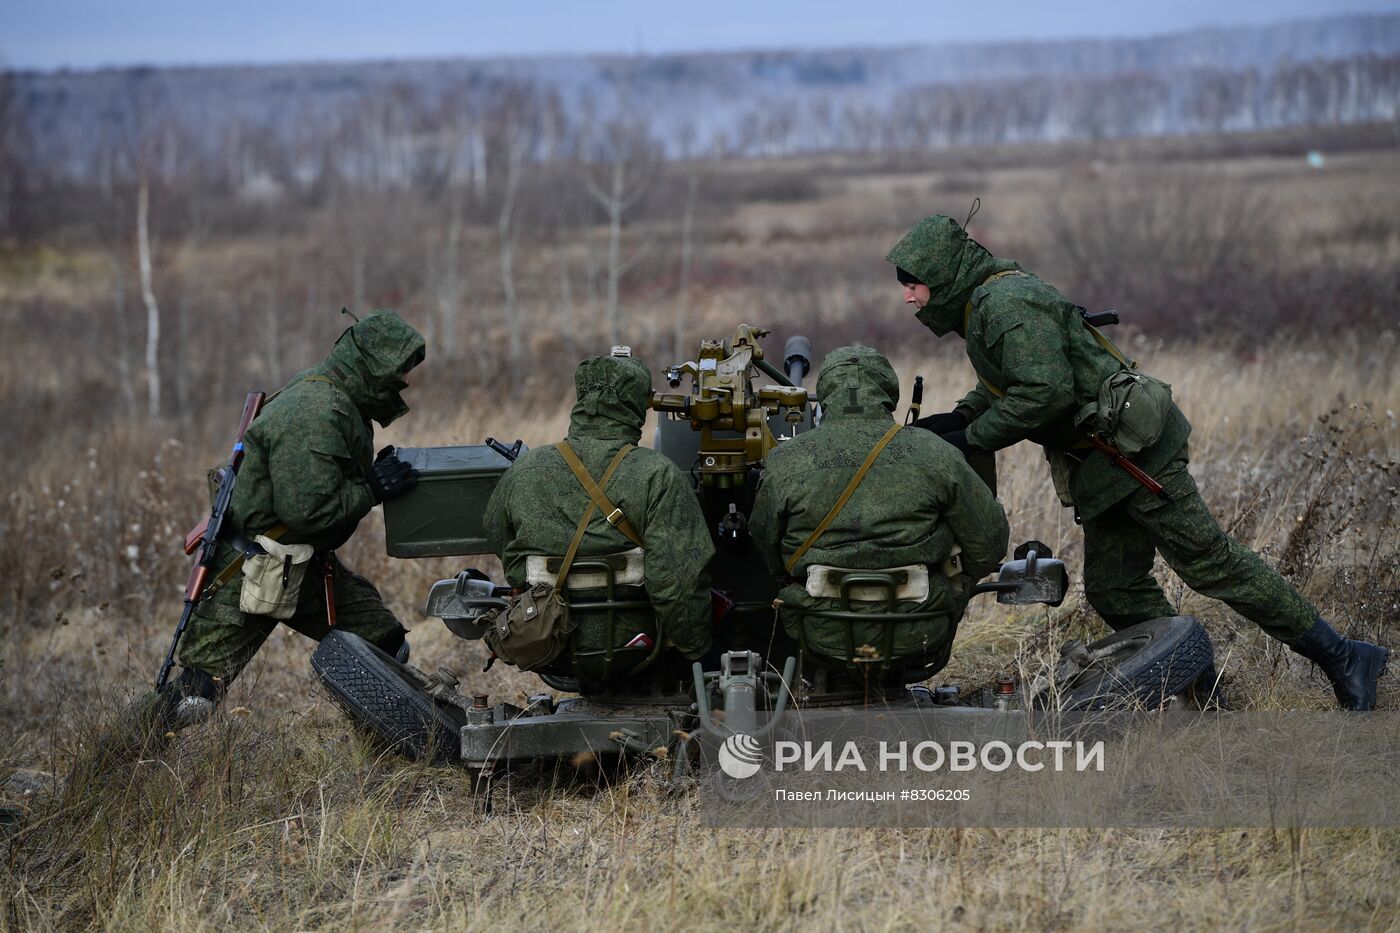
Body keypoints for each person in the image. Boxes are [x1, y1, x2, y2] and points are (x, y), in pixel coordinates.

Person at [886, 214, 1388, 709]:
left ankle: (1344, 657)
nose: (909, 297)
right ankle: (1204, 693)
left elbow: (1045, 392)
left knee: (1212, 563)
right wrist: (957, 419)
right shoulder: (983, 306)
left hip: (1135, 453)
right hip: (1102, 465)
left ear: (945, 275)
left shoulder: (1005, 302)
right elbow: (1008, 376)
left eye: (915, 285)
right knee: (1115, 588)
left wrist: (973, 435)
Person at [151, 308, 426, 729]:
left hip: (298, 562)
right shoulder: (315, 412)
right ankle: (105, 769)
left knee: (384, 644)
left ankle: (385, 751)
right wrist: (373, 488)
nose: (406, 381)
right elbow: (309, 514)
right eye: (400, 370)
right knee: (194, 697)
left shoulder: (338, 396)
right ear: (371, 368)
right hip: (250, 568)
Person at [750, 345, 1009, 679]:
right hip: (919, 627)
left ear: (826, 395)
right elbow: (989, 544)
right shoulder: (935, 452)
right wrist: (956, 577)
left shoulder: (786, 461)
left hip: (820, 629)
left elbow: (765, 545)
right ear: (889, 393)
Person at [483, 353, 715, 677]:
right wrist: (700, 654)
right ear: (637, 405)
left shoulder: (524, 470)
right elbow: (677, 583)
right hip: (634, 644)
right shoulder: (657, 474)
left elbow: (498, 535)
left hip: (548, 644)